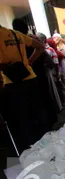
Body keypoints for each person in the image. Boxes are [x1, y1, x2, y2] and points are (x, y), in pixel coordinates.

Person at [0, 24, 50, 152]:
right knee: (38, 110)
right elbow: (40, 46)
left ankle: (31, 146)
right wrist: (29, 62)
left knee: (22, 115)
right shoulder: (17, 34)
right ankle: (46, 140)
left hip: (12, 81)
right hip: (29, 76)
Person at [47, 38, 65, 106]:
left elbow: (63, 64)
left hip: (61, 72)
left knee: (64, 87)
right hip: (57, 73)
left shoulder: (58, 53)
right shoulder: (53, 52)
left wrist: (64, 74)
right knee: (61, 87)